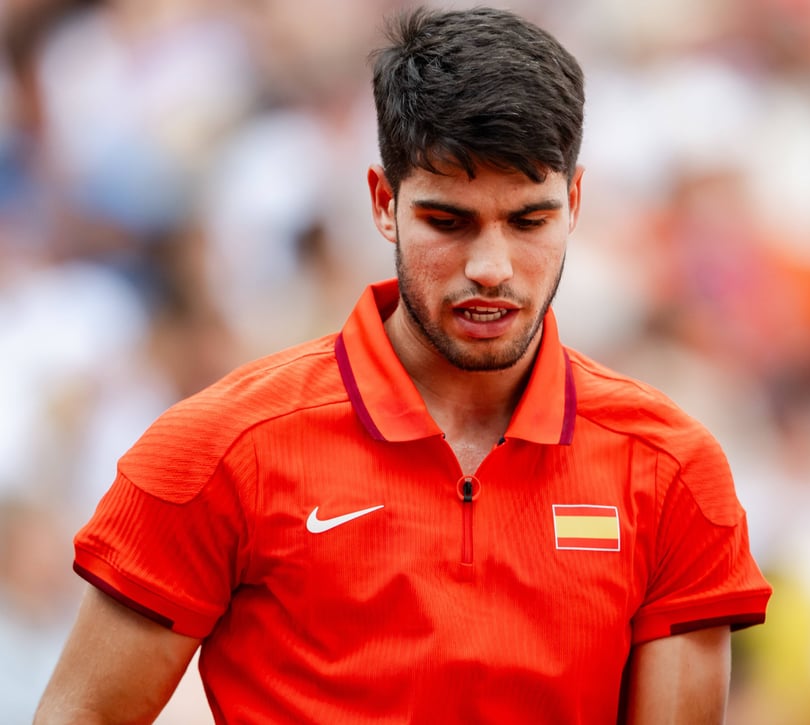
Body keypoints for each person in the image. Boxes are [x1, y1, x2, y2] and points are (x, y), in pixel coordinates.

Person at [33, 7, 772, 724]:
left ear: (574, 202)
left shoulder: (673, 470)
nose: (491, 266)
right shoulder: (216, 450)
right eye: (448, 221)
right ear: (384, 202)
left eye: (529, 220)